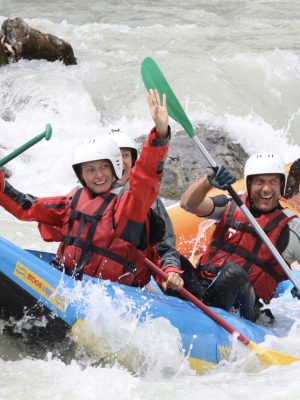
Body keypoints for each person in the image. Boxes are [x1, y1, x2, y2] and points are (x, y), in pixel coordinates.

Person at [0, 89, 181, 290]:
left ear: (116, 167)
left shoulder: (127, 207)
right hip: (68, 280)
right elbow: (27, 207)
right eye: (91, 170)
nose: (99, 175)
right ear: (81, 175)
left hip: (112, 294)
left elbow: (145, 180)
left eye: (104, 167)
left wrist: (160, 134)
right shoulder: (73, 200)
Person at [180, 153, 300, 322]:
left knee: (233, 273)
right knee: (171, 258)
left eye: (273, 181)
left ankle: (201, 319)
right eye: (259, 181)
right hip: (204, 287)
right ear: (249, 184)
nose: (266, 188)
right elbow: (188, 204)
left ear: (282, 185)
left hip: (245, 308)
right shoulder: (231, 204)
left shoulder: (292, 229)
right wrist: (208, 181)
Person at [107, 128, 184, 292]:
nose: (120, 161)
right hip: (89, 275)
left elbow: (165, 248)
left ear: (133, 161)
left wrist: (170, 270)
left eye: (125, 155)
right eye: (115, 155)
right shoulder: (83, 194)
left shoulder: (148, 201)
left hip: (130, 285)